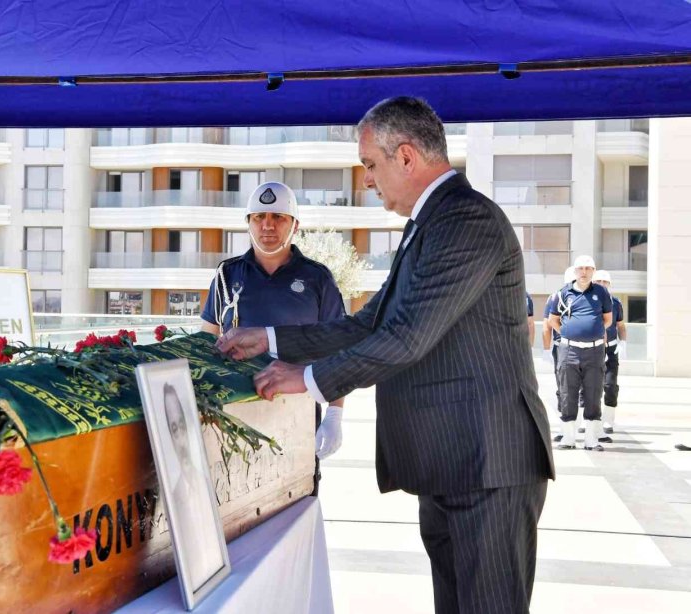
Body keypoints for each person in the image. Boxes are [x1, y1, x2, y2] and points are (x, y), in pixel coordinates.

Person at [216, 97, 554, 614]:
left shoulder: (465, 221)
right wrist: (271, 339)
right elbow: (369, 322)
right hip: (453, 463)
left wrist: (308, 381)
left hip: (489, 465)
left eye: (370, 165)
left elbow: (406, 337)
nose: (367, 180)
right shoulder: (429, 224)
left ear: (406, 157)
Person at [200, 181, 347, 466]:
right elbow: (206, 343)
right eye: (259, 218)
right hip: (233, 419)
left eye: (278, 217)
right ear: (248, 223)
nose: (268, 226)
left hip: (299, 415)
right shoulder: (226, 275)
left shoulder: (318, 279)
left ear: (295, 225)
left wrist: (334, 414)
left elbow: (338, 349)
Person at [162, 382, 225, 592]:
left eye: (181, 424)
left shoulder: (201, 477)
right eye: (173, 429)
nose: (180, 436)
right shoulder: (175, 489)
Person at [548, 255, 612, 451]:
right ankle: (568, 438)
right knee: (568, 392)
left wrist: (592, 333)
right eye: (580, 268)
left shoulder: (601, 292)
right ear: (575, 271)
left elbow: (607, 319)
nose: (584, 272)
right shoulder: (562, 293)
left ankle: (591, 440)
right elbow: (553, 320)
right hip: (569, 351)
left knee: (593, 392)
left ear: (593, 271)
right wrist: (570, 334)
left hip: (594, 351)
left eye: (588, 268)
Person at [591, 269, 625, 442]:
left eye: (605, 282)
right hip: (593, 349)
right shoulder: (589, 301)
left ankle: (608, 421)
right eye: (598, 282)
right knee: (590, 385)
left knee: (610, 386)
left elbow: (620, 325)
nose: (602, 285)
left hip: (611, 350)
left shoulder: (616, 302)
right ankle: (589, 420)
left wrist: (623, 343)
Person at [546, 267, 573, 442]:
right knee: (562, 387)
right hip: (561, 346)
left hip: (586, 347)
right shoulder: (556, 297)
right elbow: (548, 323)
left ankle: (580, 424)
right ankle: (565, 426)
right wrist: (547, 349)